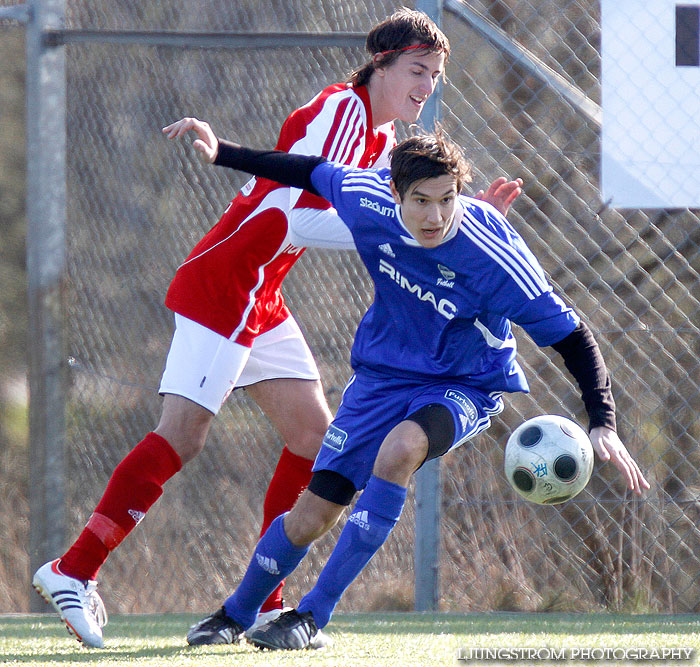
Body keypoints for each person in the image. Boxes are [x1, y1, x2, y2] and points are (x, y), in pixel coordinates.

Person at [31, 8, 521, 650]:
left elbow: (400, 211)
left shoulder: (385, 144)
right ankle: (73, 571)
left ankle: (267, 600)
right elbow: (288, 209)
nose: (427, 85)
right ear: (379, 65)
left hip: (262, 295)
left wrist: (464, 215)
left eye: (436, 74)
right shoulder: (341, 112)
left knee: (313, 436)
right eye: (416, 69)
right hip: (228, 283)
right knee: (182, 437)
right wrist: (398, 233)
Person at [174, 123, 650, 650]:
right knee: (313, 514)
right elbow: (305, 170)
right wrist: (224, 152)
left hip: (466, 384)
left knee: (401, 448)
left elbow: (574, 337)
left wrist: (603, 422)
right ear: (394, 193)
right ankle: (234, 614)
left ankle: (310, 617)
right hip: (382, 377)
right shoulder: (366, 199)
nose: (435, 216)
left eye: (448, 200)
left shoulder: (493, 256)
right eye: (421, 200)